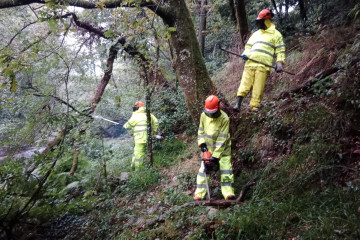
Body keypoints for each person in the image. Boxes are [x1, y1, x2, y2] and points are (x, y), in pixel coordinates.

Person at [234, 9, 285, 112]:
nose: (258, 24)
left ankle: (255, 107)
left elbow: (280, 50)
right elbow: (248, 47)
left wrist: (279, 63)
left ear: (266, 20)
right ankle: (238, 104)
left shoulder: (276, 34)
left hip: (263, 65)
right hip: (250, 63)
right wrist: (245, 54)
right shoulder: (256, 34)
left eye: (260, 21)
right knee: (245, 84)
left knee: (258, 87)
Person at [194, 95, 235, 200]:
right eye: (209, 113)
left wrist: (216, 156)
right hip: (208, 149)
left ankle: (228, 193)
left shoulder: (224, 118)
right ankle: (199, 193)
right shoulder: (203, 115)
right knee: (203, 170)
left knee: (226, 169)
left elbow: (222, 139)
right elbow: (201, 131)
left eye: (213, 113)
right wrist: (203, 146)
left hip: (223, 150)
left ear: (218, 108)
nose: (211, 115)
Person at [124, 101, 159, 169]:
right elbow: (156, 122)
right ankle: (133, 166)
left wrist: (125, 125)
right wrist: (154, 132)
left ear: (137, 107)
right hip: (147, 136)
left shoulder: (136, 115)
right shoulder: (148, 114)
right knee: (136, 151)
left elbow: (127, 126)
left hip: (139, 137)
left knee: (139, 153)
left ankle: (138, 170)